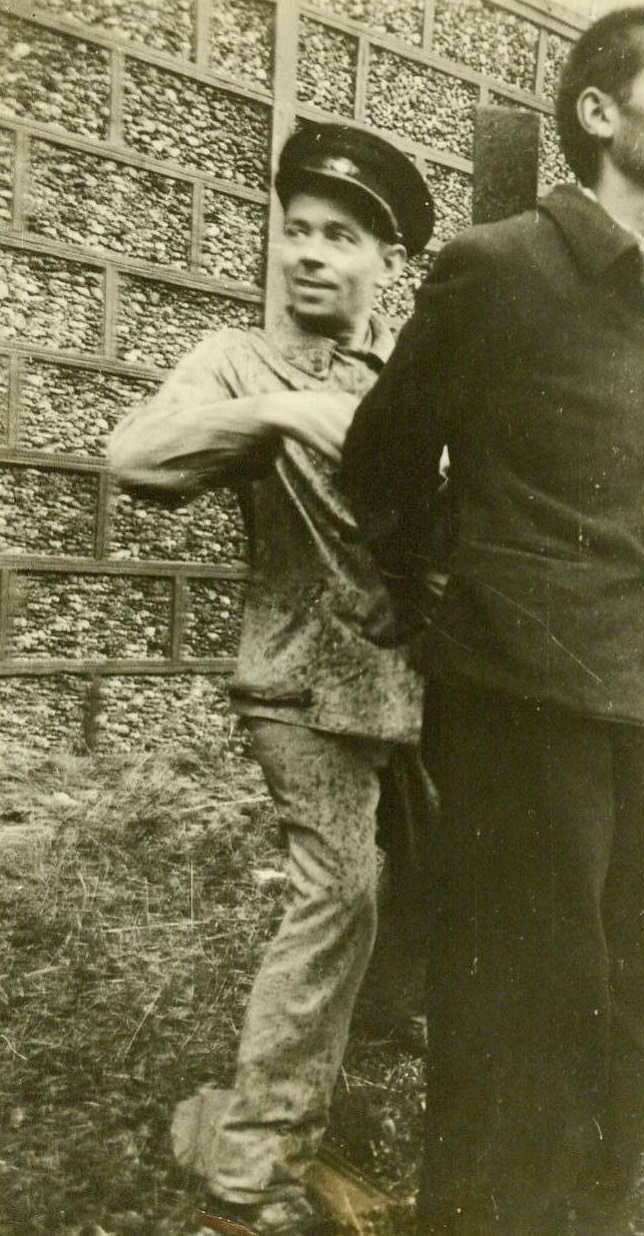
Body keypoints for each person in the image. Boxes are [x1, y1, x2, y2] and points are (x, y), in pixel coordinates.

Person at [340, 4, 644, 1234]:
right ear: (598, 113)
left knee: (643, 1006)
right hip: (518, 690)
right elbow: (382, 460)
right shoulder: (500, 265)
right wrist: (439, 605)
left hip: (641, 688)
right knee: (521, 1008)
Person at [107, 121, 434, 1236]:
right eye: (296, 229)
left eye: (339, 236)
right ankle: (251, 1173)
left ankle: (332, 1091)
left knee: (419, 886)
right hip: (302, 682)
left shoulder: (411, 372)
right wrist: (277, 412)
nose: (308, 253)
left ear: (386, 261)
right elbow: (134, 458)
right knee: (337, 894)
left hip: (417, 682)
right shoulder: (236, 362)